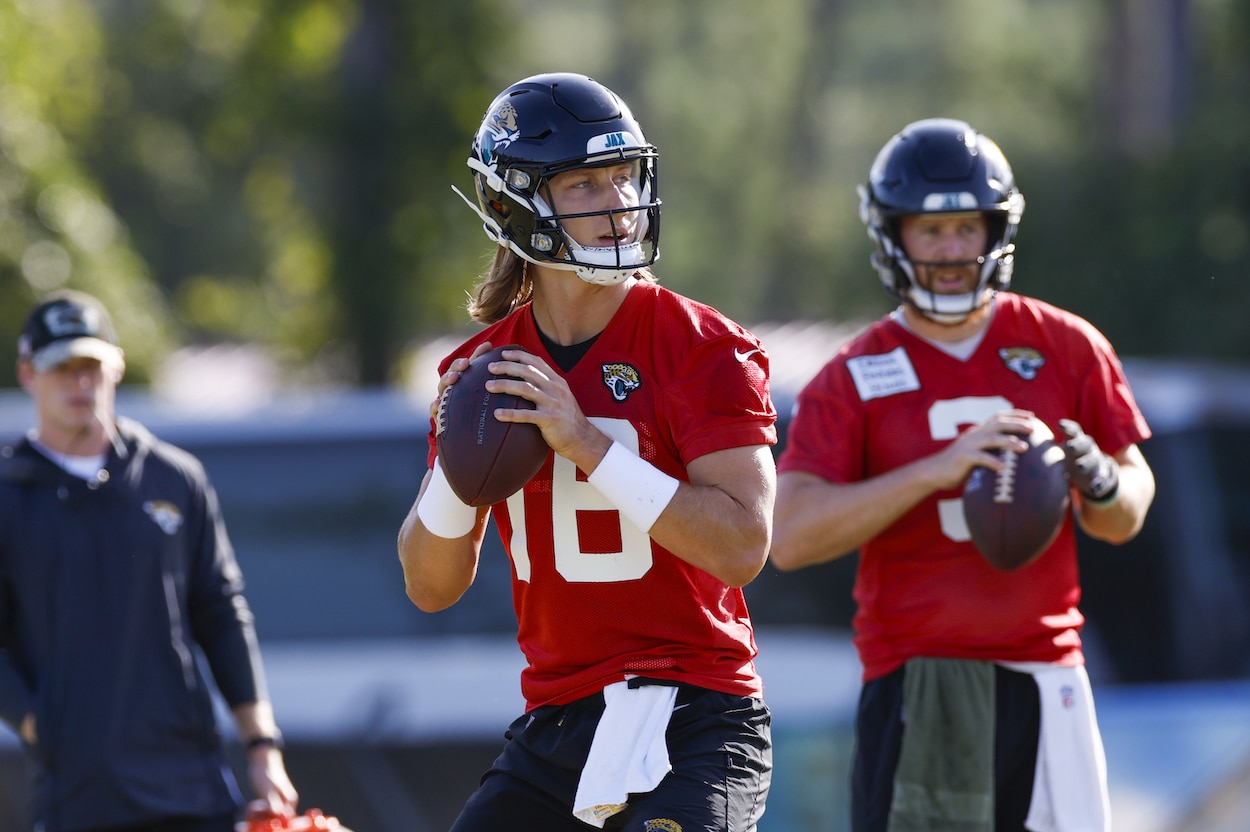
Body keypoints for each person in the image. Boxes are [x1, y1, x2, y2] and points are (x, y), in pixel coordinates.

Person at [397, 73, 777, 832]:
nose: (616, 202)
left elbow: (742, 545)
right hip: (558, 724)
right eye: (582, 184)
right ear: (513, 204)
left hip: (696, 714)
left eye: (622, 174)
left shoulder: (704, 348)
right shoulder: (477, 371)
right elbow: (430, 586)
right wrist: (453, 467)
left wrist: (585, 442)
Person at [770, 119, 1156, 832]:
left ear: (995, 231)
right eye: (930, 231)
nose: (951, 252)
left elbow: (1127, 510)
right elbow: (789, 537)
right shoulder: (854, 373)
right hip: (922, 678)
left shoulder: (1066, 345)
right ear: (895, 236)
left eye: (966, 229)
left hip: (1049, 674)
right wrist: (932, 472)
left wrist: (1102, 480)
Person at [0, 290, 299, 832]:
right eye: (61, 367)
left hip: (191, 784)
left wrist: (262, 747)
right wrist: (36, 722)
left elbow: (222, 613)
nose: (80, 382)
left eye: (90, 365)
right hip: (77, 796)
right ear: (27, 373)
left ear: (115, 366)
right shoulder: (8, 493)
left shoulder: (174, 477)